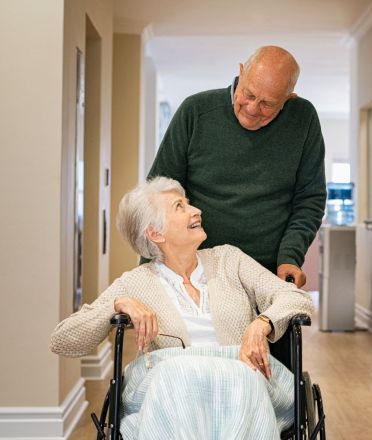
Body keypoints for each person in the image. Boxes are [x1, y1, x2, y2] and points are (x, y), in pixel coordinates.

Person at [50, 177, 314, 438]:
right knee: (177, 373)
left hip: (242, 384)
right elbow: (63, 340)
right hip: (171, 388)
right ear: (155, 233)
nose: (196, 210)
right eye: (180, 206)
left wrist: (261, 323)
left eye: (189, 203)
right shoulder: (136, 281)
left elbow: (297, 299)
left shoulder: (229, 259)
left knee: (243, 375)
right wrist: (116, 304)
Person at [147, 45, 326, 288]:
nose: (252, 109)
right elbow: (158, 195)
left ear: (288, 98)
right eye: (249, 94)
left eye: (267, 104)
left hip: (266, 273)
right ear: (241, 72)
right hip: (196, 271)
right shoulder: (196, 112)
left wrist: (290, 257)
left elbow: (310, 199)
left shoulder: (302, 119)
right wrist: (148, 271)